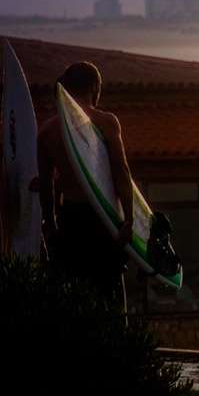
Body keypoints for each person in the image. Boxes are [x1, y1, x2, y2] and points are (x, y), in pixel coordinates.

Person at [37, 62, 133, 306]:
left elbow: (46, 186)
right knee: (109, 298)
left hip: (71, 221)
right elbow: (121, 172)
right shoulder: (107, 122)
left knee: (74, 301)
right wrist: (129, 218)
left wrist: (50, 226)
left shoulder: (47, 131)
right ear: (94, 86)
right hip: (103, 221)